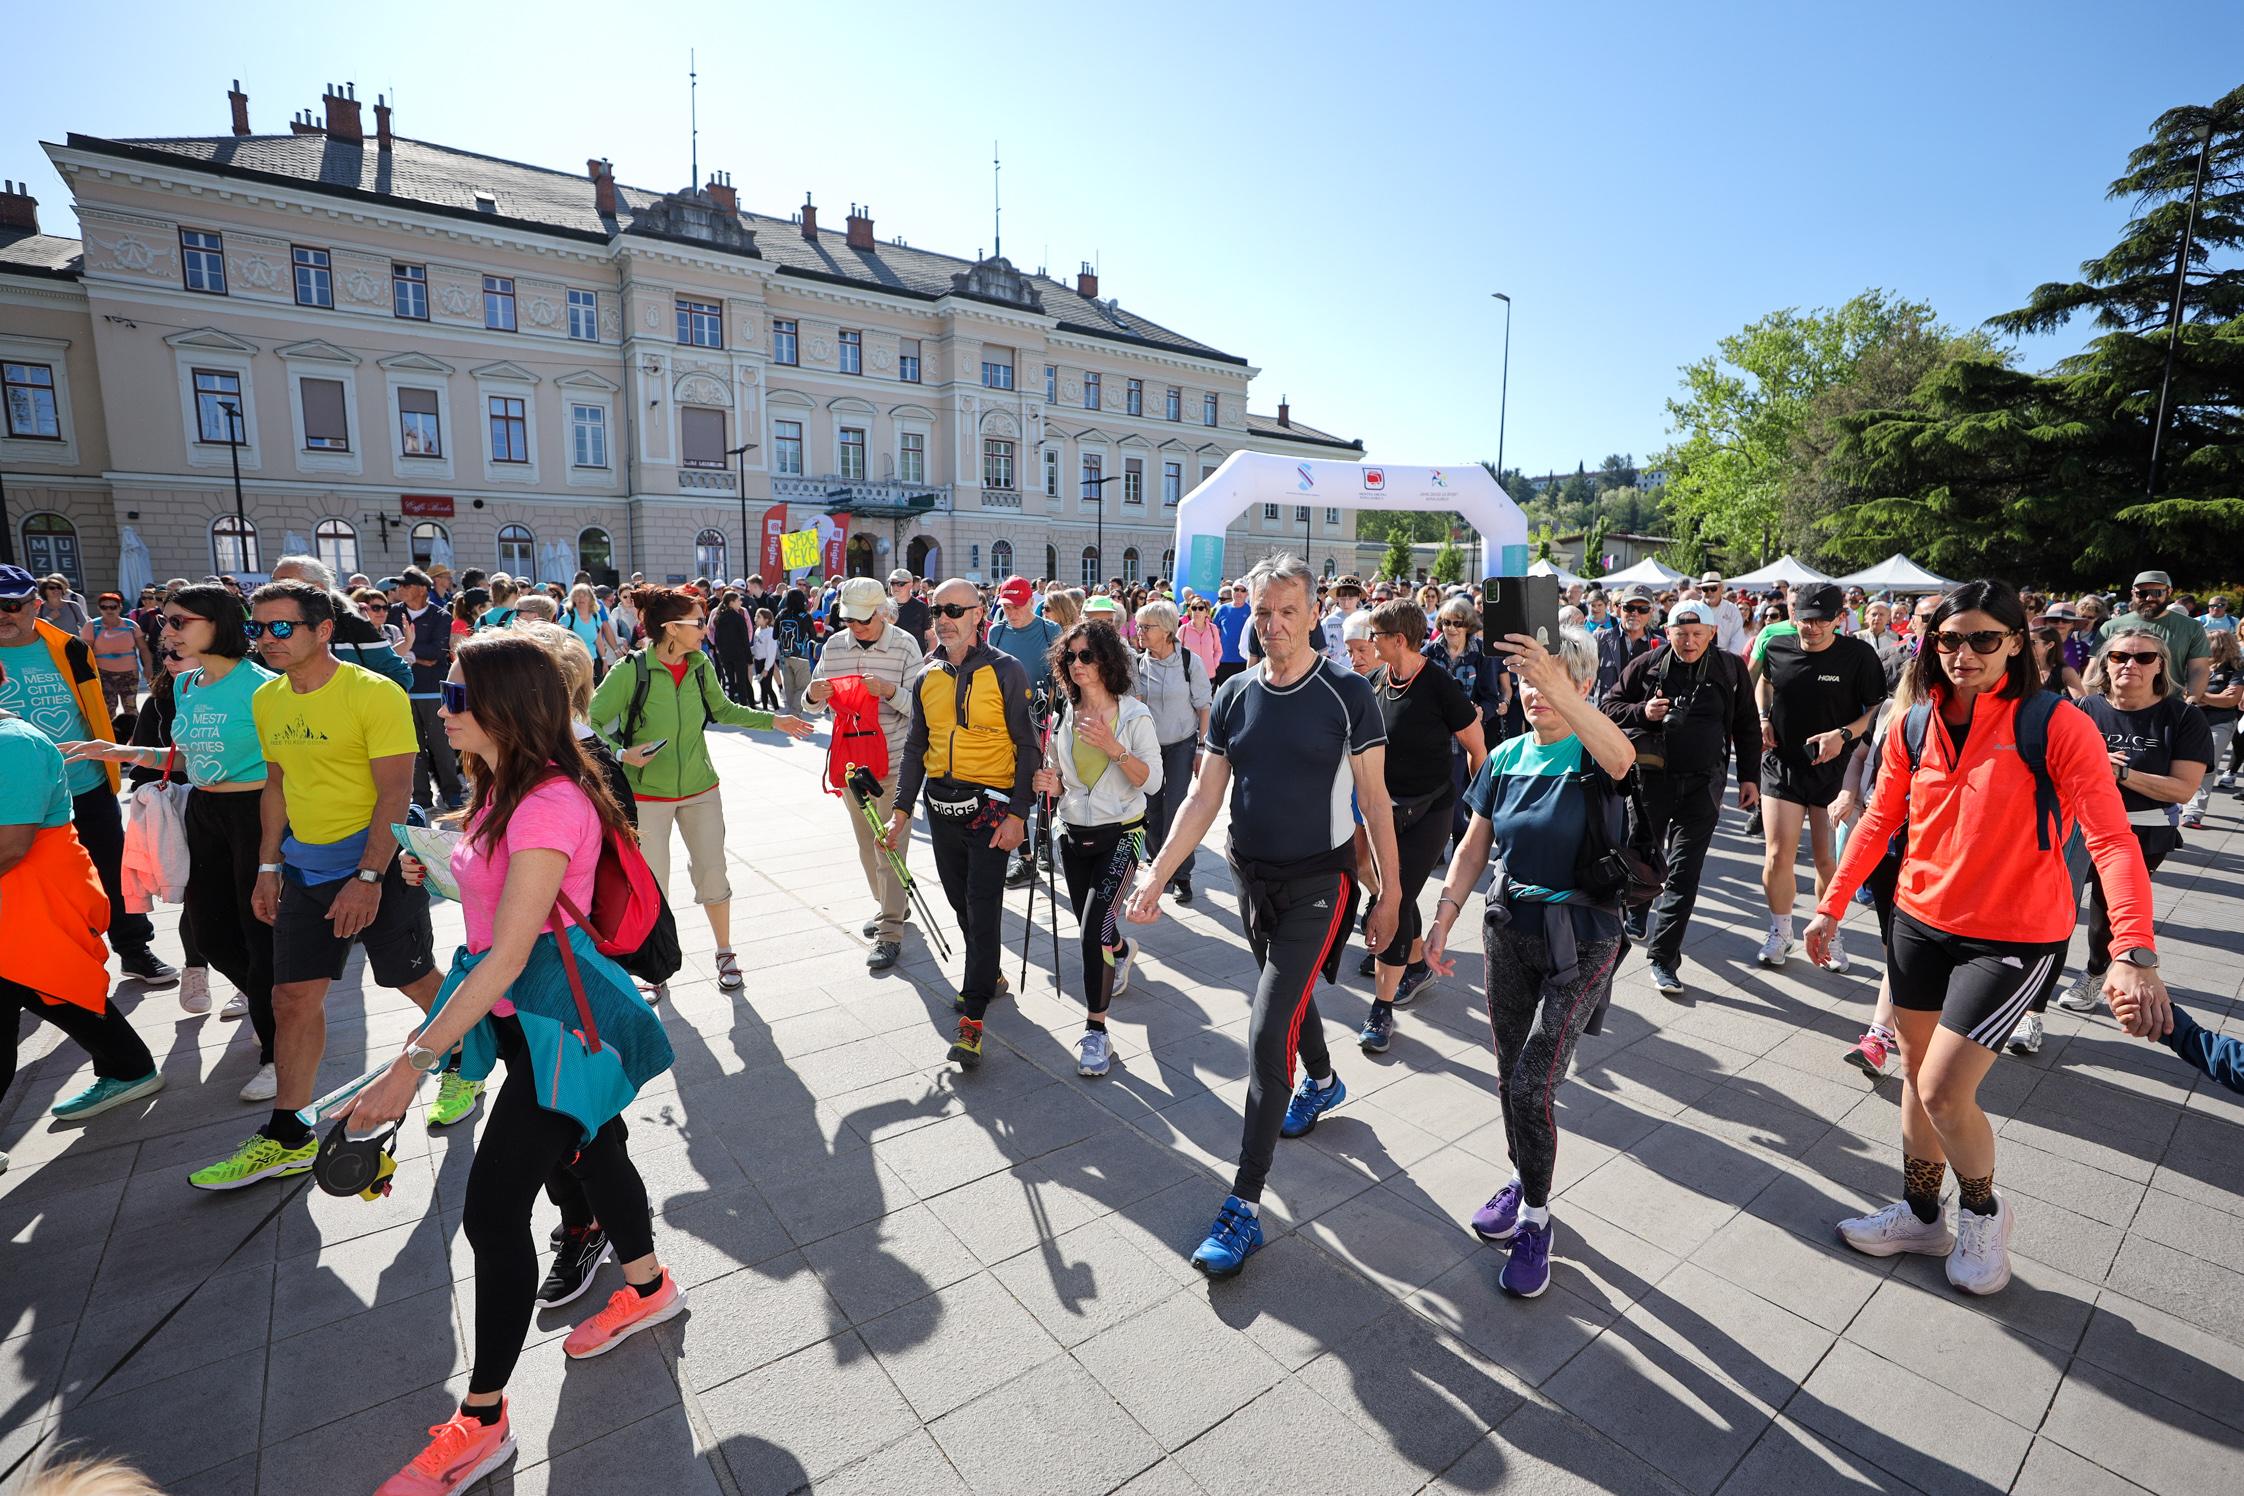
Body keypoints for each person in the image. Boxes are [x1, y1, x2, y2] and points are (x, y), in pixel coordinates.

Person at [353, 631, 680, 1496]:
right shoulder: (506, 786)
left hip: (555, 1020)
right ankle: (647, 1285)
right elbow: (503, 898)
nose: (440, 707)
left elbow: (505, 954)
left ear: (505, 706)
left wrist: (411, 1066)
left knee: (493, 1215)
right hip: (531, 1015)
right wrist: (446, 857)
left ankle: (485, 1421)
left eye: (455, 695)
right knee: (597, 1148)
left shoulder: (544, 803)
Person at [1807, 580, 2169, 1295]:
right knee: (1915, 1077)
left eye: (1982, 639)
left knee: (1943, 1091)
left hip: (2011, 937)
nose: (1963, 653)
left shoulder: (2056, 725)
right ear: (1930, 645)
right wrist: (1829, 906)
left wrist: (2132, 950)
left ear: (2014, 643)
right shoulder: (1914, 722)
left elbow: (2113, 841)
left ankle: (1982, 1213)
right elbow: (1880, 820)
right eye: (1948, 640)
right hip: (1919, 920)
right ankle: (1920, 1216)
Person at [1124, 554, 1400, 1277]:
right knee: (1292, 996)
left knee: (1265, 1027)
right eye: (1262, 612)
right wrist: (1157, 871)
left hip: (1322, 883)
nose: (1273, 625)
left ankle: (1242, 1205)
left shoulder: (1347, 695)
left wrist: (1393, 893)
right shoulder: (1238, 691)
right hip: (1253, 878)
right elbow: (1202, 797)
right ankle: (1324, 1081)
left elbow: (1374, 802)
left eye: (1287, 612)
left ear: (1313, 614)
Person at [185, 581, 447, 1190]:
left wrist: (368, 879)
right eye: (259, 628)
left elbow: (396, 795)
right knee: (290, 999)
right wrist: (269, 866)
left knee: (411, 978)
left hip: (378, 865)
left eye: (282, 628)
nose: (266, 639)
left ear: (322, 630)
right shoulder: (269, 699)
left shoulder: (373, 693)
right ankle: (288, 1135)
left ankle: (470, 1055)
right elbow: (276, 785)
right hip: (305, 869)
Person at [1420, 625, 1633, 1297]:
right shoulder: (1507, 756)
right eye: (1529, 676)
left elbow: (1625, 759)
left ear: (1583, 684)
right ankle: (1525, 1175)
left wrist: (1561, 690)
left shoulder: (1594, 748)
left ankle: (1537, 1218)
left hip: (1586, 936)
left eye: (1555, 677)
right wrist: (1444, 915)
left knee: (1532, 1081)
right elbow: (1474, 846)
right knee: (1510, 1071)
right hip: (1508, 928)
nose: (1536, 690)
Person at [66, 584, 282, 1101]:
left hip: (257, 814)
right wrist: (118, 751)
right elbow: (187, 757)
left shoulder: (266, 688)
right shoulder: (187, 685)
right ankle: (278, 1011)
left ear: (220, 624)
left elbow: (287, 767)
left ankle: (279, 1049)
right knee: (208, 935)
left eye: (180, 621)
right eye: (166, 620)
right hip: (204, 811)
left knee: (259, 935)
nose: (167, 630)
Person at [588, 587, 812, 996]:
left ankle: (724, 952)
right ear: (671, 628)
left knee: (713, 871)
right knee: (653, 882)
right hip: (647, 796)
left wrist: (773, 721)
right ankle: (655, 966)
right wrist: (623, 753)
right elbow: (591, 723)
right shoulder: (630, 670)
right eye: (696, 621)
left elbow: (723, 709)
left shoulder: (699, 664)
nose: (704, 627)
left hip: (700, 788)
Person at [884, 579, 1039, 1064]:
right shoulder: (926, 675)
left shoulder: (1006, 670)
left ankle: (972, 1017)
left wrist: (1018, 816)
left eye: (953, 609)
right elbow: (914, 748)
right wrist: (901, 811)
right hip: (942, 809)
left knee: (983, 903)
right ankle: (988, 973)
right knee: (960, 903)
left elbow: (1028, 745)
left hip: (991, 809)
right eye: (936, 610)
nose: (942, 619)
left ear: (977, 615)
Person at [0, 661, 164, 1123]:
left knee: (51, 982)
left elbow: (11, 845)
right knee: (44, 987)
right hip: (19, 897)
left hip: (33, 893)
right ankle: (129, 1066)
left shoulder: (13, 744)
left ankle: (130, 1067)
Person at [0, 565, 175, 982]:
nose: (3, 615)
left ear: (35, 605)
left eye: (11, 605)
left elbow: (93, 707)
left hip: (84, 782)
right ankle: (41, 964)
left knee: (113, 870)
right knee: (29, 881)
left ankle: (134, 949)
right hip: (15, 797)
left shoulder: (70, 648)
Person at [1599, 598, 1760, 997]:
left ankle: (1663, 958)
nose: (1689, 642)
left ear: (1711, 635)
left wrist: (1750, 778)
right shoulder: (1648, 664)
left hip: (1704, 785)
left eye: (1696, 635)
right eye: (1681, 634)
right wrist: (1643, 712)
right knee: (1643, 855)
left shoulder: (1729, 667)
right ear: (1667, 633)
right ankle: (1636, 911)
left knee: (1685, 873)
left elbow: (1746, 724)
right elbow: (1608, 707)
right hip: (1652, 781)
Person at [2047, 629, 2211, 1013]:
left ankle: (2093, 972)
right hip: (2076, 827)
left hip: (2142, 829)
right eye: (2119, 657)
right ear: (2106, 663)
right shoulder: (2084, 709)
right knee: (2053, 908)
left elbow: (2182, 790)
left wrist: (2118, 774)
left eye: (2143, 658)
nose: (2130, 665)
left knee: (2107, 913)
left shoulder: (2183, 716)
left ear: (2160, 666)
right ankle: (2033, 999)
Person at [1357, 598, 1485, 1053]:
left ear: (1399, 640)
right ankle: (1415, 960)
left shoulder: (1439, 684)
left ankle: (1382, 1008)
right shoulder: (1375, 682)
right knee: (1394, 890)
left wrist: (1477, 807)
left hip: (1431, 811)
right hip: (1384, 814)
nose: (1370, 642)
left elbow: (1476, 745)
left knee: (1394, 895)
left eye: (1376, 635)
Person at [1035, 622, 1161, 1077]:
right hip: (1074, 835)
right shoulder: (1063, 713)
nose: (1077, 664)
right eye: (1071, 657)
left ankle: (1097, 1032)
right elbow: (1060, 773)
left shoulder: (1133, 716)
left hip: (1122, 835)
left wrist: (1114, 748)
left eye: (1086, 655)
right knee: (1096, 927)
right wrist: (1047, 781)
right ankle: (1122, 949)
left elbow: (1155, 782)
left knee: (1091, 932)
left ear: (1107, 660)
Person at [1753, 581, 1886, 971]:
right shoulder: (1776, 645)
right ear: (1794, 615)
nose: (1811, 628)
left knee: (1827, 861)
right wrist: (1763, 716)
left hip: (1835, 771)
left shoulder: (1858, 656)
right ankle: (1781, 932)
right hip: (1783, 764)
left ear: (1839, 620)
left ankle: (1830, 933)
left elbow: (1879, 709)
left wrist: (1843, 734)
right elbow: (1765, 681)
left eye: (1821, 621)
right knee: (1777, 854)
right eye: (1805, 619)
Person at [808, 577, 925, 971]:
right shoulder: (834, 646)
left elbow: (920, 710)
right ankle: (891, 906)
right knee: (865, 844)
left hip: (893, 762)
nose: (854, 628)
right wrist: (814, 695)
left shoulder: (906, 645)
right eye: (849, 620)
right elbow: (811, 704)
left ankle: (891, 930)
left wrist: (889, 691)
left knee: (888, 844)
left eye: (862, 620)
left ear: (881, 613)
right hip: (851, 766)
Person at [1133, 599, 1213, 904]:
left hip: (1182, 744)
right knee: (1151, 809)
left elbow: (1203, 707)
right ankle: (1159, 868)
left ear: (1166, 631)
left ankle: (1182, 875)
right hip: (1149, 748)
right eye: (1139, 626)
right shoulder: (1139, 663)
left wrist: (1201, 748)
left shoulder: (1189, 662)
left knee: (1178, 809)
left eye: (1146, 627)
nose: (1139, 631)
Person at [2183, 627, 2240, 823]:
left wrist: (2198, 695)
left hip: (2220, 722)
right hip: (2190, 721)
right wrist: (2210, 697)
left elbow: (2230, 700)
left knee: (2206, 766)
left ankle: (2194, 812)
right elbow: (2184, 693)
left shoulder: (2235, 668)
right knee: (2182, 762)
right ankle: (2179, 801)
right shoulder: (2193, 666)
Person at [82, 593, 146, 717]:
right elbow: (85, 651)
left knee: (131, 708)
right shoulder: (92, 626)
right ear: (99, 608)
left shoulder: (130, 625)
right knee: (108, 708)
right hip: (103, 673)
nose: (109, 610)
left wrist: (147, 667)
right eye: (104, 607)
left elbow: (143, 648)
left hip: (129, 673)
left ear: (120, 607)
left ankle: (135, 735)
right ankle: (110, 735)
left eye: (113, 607)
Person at [1594, 586, 1659, 699]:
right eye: (1629, 608)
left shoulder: (1660, 645)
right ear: (1620, 609)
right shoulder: (1599, 640)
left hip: (1641, 714)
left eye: (1643, 609)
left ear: (1651, 612)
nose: (1635, 613)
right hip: (1604, 713)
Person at [565, 582, 621, 683]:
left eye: (584, 595)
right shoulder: (568, 617)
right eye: (578, 595)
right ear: (573, 598)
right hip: (576, 662)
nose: (581, 598)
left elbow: (598, 640)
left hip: (594, 661)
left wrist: (604, 660)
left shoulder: (595, 616)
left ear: (590, 598)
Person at [708, 588, 755, 703]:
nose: (741, 602)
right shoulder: (738, 617)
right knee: (742, 682)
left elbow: (716, 638)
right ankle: (744, 707)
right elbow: (745, 640)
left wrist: (719, 650)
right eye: (739, 600)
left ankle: (731, 705)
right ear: (731, 602)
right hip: (739, 655)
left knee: (729, 682)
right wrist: (749, 657)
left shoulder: (719, 617)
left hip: (725, 655)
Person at [1319, 574, 1367, 670]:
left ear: (1358, 597)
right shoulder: (1328, 622)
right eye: (1343, 599)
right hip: (1334, 671)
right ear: (1337, 598)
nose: (1346, 603)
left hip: (1361, 670)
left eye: (1350, 598)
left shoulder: (1366, 619)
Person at [1696, 571, 1747, 655]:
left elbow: (1737, 639)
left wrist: (1728, 660)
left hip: (1724, 659)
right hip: (1698, 658)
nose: (1709, 592)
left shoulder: (1732, 610)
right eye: (1705, 589)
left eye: (1713, 588)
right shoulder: (1695, 610)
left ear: (1721, 588)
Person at [1211, 583, 1252, 685]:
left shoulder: (1251, 611)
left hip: (1243, 660)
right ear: (1232, 591)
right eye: (1236, 589)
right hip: (1223, 659)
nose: (1238, 592)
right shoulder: (1222, 609)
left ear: (1247, 593)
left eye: (1242, 590)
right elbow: (1215, 633)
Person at [1178, 594, 1222, 679]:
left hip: (1208, 675)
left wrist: (1214, 665)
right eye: (1194, 608)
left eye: (1201, 608)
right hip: (1188, 675)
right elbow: (1176, 651)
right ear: (1190, 611)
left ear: (1206, 612)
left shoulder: (1213, 628)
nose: (1197, 611)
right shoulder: (1183, 629)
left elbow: (1218, 650)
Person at [888, 568, 932, 649]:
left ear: (911, 584)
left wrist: (928, 659)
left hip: (915, 658)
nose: (895, 587)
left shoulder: (921, 607)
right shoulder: (885, 607)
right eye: (892, 583)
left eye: (900, 583)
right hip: (891, 657)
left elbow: (931, 637)